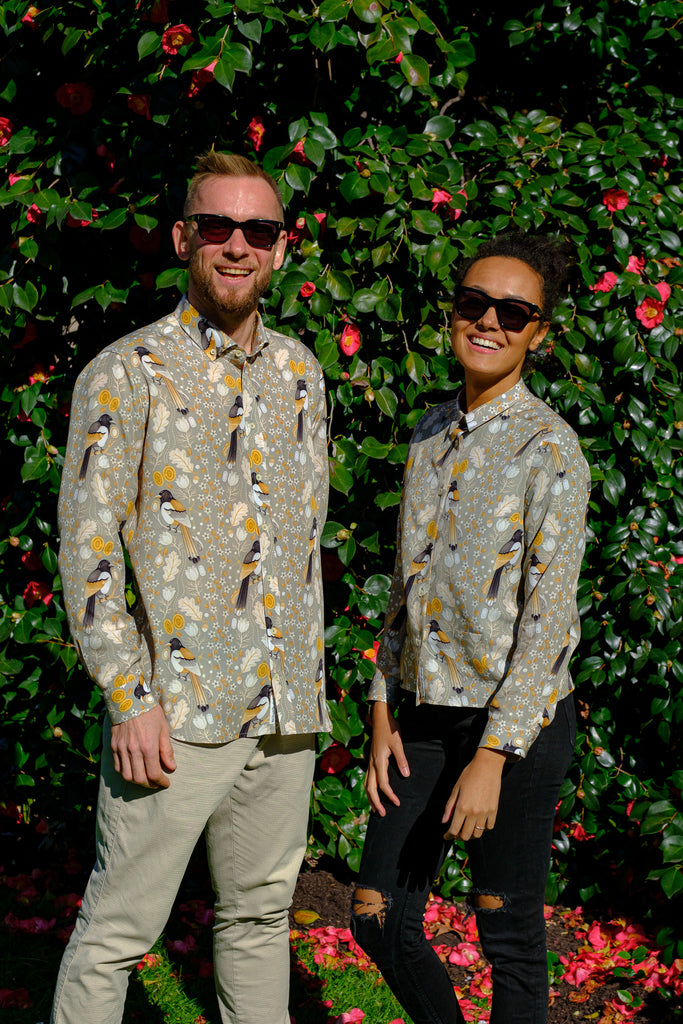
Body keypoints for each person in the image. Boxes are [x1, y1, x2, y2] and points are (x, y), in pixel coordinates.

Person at [52, 151, 330, 1024]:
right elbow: (87, 552)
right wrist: (128, 697)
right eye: (217, 227)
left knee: (258, 919)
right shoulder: (124, 371)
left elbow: (304, 541)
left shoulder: (301, 374)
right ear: (184, 239)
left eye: (258, 231)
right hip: (176, 712)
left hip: (285, 713)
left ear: (280, 249)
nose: (238, 246)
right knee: (116, 933)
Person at [351, 234, 591, 1024]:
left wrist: (492, 757)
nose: (488, 321)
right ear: (453, 313)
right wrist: (382, 709)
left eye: (513, 312)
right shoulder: (425, 433)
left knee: (506, 933)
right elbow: (403, 591)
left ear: (537, 332)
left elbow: (548, 620)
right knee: (376, 914)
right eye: (473, 303)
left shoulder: (550, 448)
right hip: (419, 716)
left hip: (513, 729)